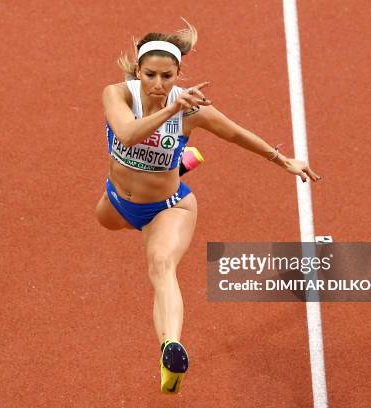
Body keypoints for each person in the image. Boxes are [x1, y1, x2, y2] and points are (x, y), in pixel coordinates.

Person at [94, 19, 321, 395]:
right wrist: (172, 110)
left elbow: (235, 133)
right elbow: (128, 134)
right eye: (150, 74)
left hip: (167, 207)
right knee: (102, 221)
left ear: (179, 73)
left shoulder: (191, 109)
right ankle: (182, 161)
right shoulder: (117, 94)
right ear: (137, 71)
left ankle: (171, 347)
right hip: (116, 200)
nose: (159, 84)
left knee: (161, 266)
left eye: (168, 76)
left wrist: (284, 161)